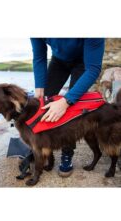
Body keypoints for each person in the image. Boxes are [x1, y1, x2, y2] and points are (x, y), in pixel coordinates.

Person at [30, 38, 105, 177]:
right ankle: (44, 149)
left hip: (84, 61)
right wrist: (39, 88)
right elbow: (39, 57)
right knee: (43, 102)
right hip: (58, 60)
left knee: (72, 108)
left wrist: (66, 101)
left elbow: (93, 69)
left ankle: (67, 154)